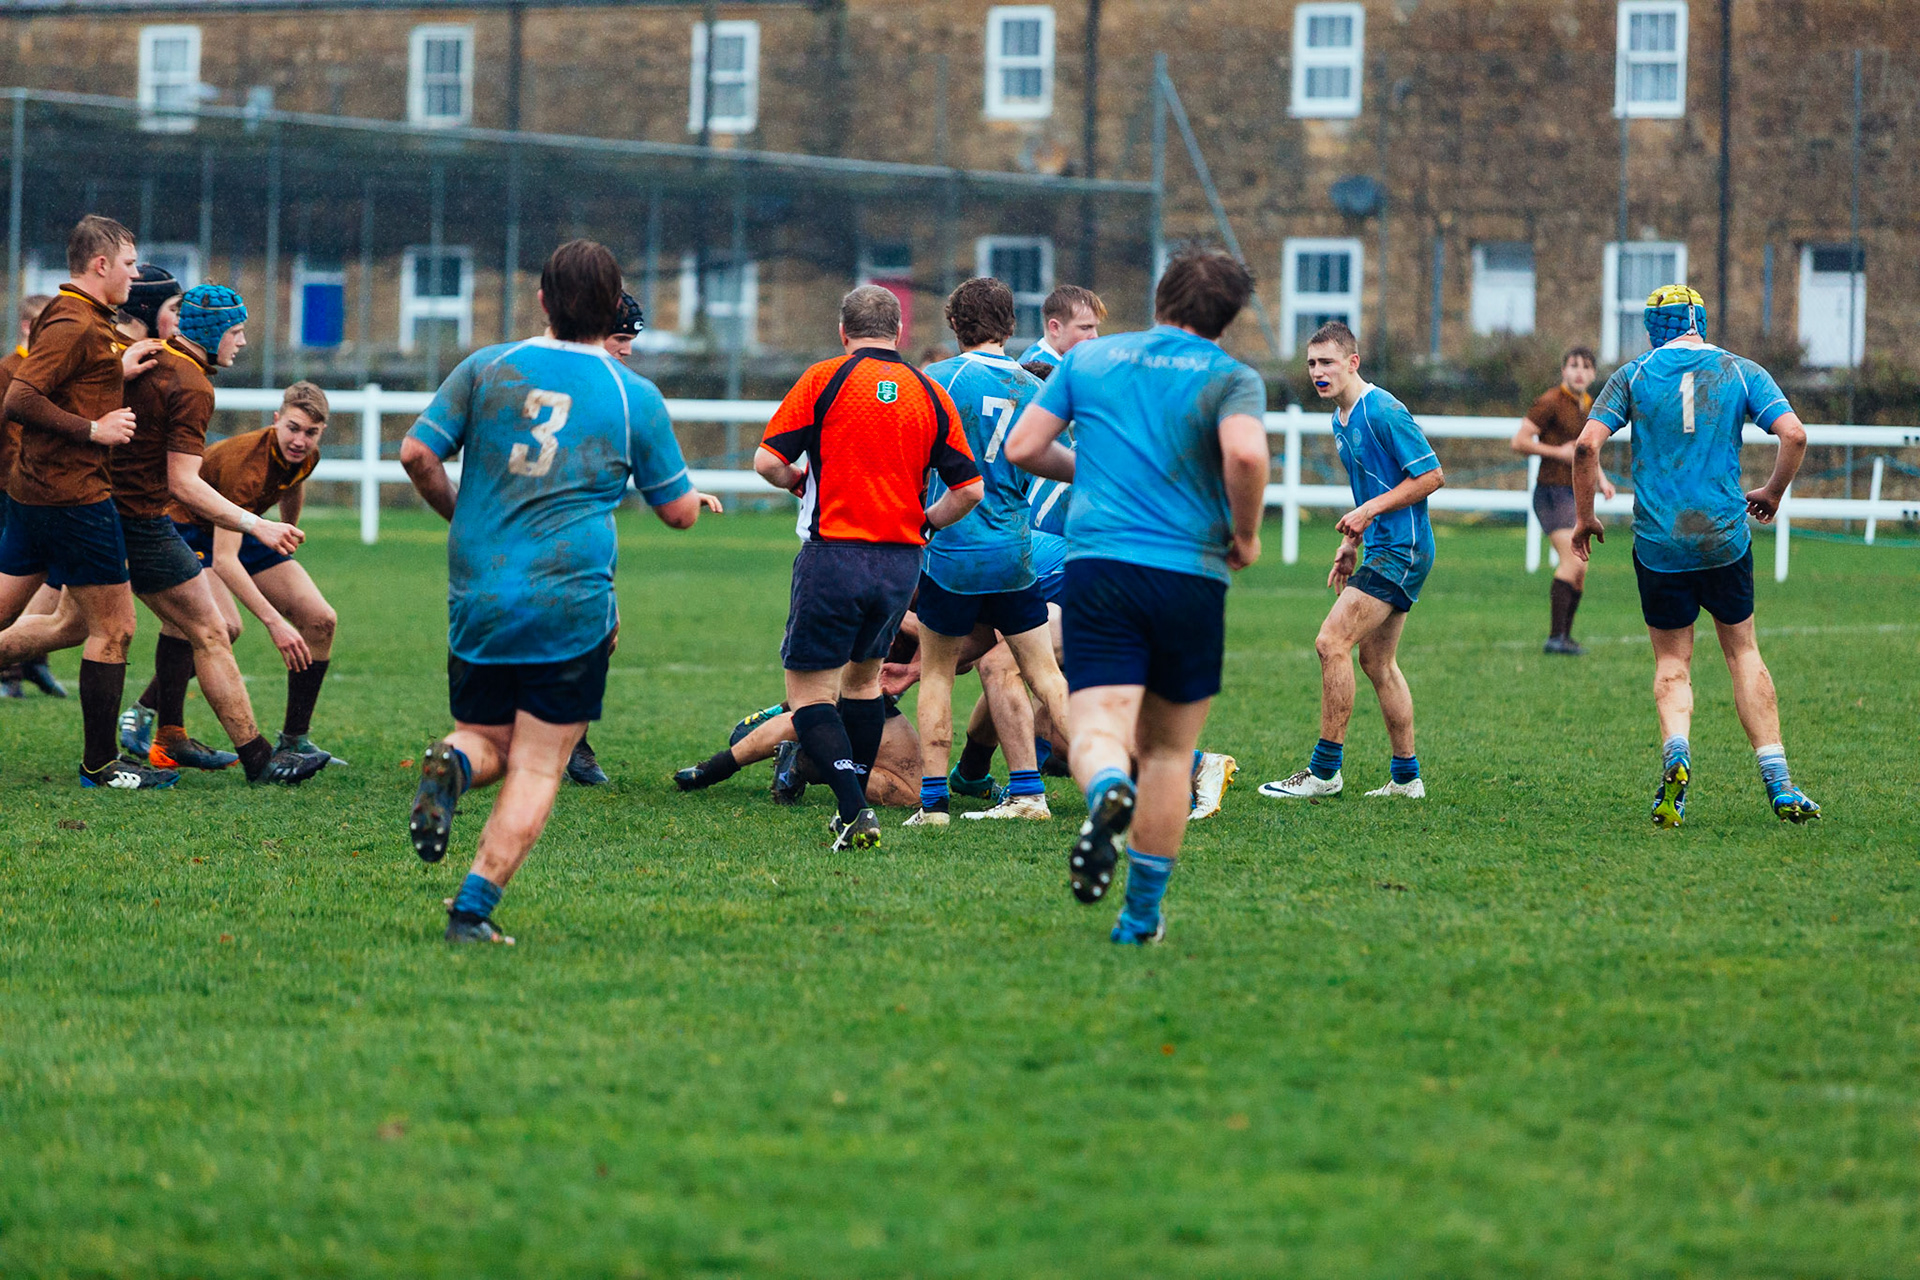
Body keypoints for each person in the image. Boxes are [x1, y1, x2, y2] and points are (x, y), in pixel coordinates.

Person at [402, 239, 717, 944]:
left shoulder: (487, 367)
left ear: (542, 299)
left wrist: (464, 516)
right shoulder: (632, 395)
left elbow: (417, 453)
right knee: (540, 763)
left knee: (485, 738)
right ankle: (471, 910)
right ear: (612, 311)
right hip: (569, 603)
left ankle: (453, 764)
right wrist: (692, 500)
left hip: (480, 591)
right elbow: (676, 513)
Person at [1005, 248, 1270, 945]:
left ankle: (1103, 791)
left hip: (1101, 568)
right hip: (1190, 572)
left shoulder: (1090, 360)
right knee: (1168, 755)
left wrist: (1091, 472)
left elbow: (1023, 447)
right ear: (1227, 319)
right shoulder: (1230, 376)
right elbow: (1246, 455)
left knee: (1098, 723)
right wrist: (1246, 535)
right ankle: (1141, 917)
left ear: (1159, 299)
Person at [1571, 284, 1820, 827]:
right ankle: (1779, 782)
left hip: (1660, 544)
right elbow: (1795, 436)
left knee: (1672, 664)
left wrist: (1585, 517)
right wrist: (1773, 492)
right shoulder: (1740, 370)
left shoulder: (1633, 375)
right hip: (1724, 538)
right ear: (1700, 322)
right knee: (1743, 653)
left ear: (1652, 328)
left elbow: (1586, 446)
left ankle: (1677, 755)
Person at [752, 284, 981, 851]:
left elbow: (767, 462)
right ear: (899, 331)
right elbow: (970, 490)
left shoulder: (824, 379)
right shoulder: (929, 391)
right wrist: (925, 523)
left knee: (810, 696)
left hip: (834, 556)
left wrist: (797, 481)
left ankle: (854, 809)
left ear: (842, 331)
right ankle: (849, 804)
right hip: (899, 565)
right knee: (862, 685)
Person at [94, 282, 326, 784]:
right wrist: (257, 524)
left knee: (75, 627)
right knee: (209, 630)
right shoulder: (192, 383)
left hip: (102, 509)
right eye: (236, 331)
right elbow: (184, 483)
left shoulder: (151, 356)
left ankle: (169, 734)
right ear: (214, 330)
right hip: (141, 519)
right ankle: (255, 758)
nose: (241, 341)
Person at [0, 215, 176, 788]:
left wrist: (114, 369)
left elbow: (69, 377)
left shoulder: (79, 314)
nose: (135, 274)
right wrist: (93, 430)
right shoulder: (75, 322)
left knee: (15, 617)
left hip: (35, 494)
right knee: (115, 628)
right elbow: (21, 397)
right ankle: (102, 766)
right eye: (129, 264)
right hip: (73, 498)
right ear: (100, 265)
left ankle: (102, 763)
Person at [1259, 320, 1445, 804]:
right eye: (1311, 364)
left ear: (1352, 362)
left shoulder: (1382, 410)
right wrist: (1352, 542)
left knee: (1331, 641)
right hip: (1383, 546)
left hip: (1402, 549)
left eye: (1327, 362)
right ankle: (1407, 779)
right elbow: (1372, 485)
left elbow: (1431, 476)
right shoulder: (1339, 420)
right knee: (1378, 662)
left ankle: (1324, 772)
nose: (1317, 372)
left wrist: (1368, 513)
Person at [907, 277, 1068, 826]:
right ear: (1011, 325)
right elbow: (1050, 460)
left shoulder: (938, 379)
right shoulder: (1034, 386)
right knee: (1045, 677)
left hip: (952, 552)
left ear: (954, 324)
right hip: (1015, 552)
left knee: (937, 675)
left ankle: (933, 805)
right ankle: (1084, 787)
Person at [144, 381, 343, 766]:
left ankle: (295, 740)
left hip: (245, 526)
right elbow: (225, 561)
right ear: (276, 420)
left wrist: (288, 532)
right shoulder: (245, 467)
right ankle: (145, 711)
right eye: (293, 428)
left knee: (321, 620)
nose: (300, 440)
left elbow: (292, 484)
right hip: (187, 528)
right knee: (225, 627)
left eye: (311, 432)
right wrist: (274, 623)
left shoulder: (306, 454)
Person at [563, 288, 649, 788]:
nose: (628, 350)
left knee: (601, 637)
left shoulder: (617, 393)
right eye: (620, 338)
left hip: (590, 534)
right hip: (540, 535)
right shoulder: (543, 381)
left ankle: (567, 737)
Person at [1512, 346, 1614, 653]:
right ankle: (1555, 637)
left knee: (1580, 566)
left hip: (1575, 495)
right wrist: (1557, 452)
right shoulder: (1550, 402)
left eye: (1586, 366)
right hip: (1551, 493)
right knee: (1572, 560)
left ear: (1593, 374)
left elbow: (1587, 449)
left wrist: (1602, 479)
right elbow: (1519, 441)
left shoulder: (1589, 404)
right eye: (1573, 365)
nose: (1579, 372)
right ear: (1563, 371)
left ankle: (1564, 638)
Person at [0, 293, 66, 699]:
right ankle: (9, 672)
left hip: (50, 490)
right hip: (14, 490)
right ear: (28, 327)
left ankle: (35, 660)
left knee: (52, 577)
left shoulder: (55, 369)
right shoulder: (8, 370)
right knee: (14, 580)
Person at [1023, 284, 1106, 369]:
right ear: (1055, 328)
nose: (1095, 336)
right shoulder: (1033, 371)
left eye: (1095, 328)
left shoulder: (1079, 362)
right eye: (1085, 328)